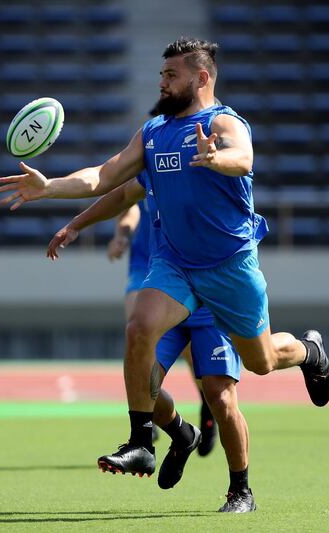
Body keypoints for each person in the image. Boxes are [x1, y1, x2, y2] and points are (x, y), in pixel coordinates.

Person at [0, 36, 329, 492]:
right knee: (139, 328)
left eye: (171, 75)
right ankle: (142, 441)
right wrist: (50, 187)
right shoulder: (153, 132)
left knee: (262, 360)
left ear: (202, 77)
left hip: (229, 265)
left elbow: (244, 156)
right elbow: (106, 176)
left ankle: (309, 351)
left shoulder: (224, 122)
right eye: (161, 74)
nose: (162, 82)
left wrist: (218, 158)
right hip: (175, 263)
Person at [49, 169, 255, 512]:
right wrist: (76, 222)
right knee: (142, 378)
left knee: (221, 396)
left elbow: (242, 160)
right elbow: (119, 193)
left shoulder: (217, 163)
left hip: (213, 298)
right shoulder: (160, 158)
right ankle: (179, 433)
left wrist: (223, 156)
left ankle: (241, 489)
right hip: (168, 291)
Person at [108, 154, 218, 456]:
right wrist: (122, 235)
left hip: (175, 261)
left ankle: (208, 406)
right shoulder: (146, 156)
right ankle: (148, 420)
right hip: (144, 262)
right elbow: (127, 205)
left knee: (187, 350)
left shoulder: (186, 160)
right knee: (139, 332)